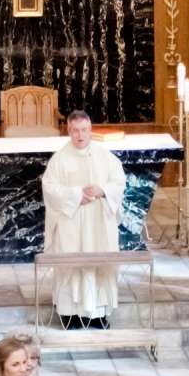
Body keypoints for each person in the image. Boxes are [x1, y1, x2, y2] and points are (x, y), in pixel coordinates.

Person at [41, 111, 128, 327]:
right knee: (72, 263)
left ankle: (98, 314)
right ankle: (69, 314)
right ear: (68, 131)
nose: (80, 135)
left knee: (98, 263)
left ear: (91, 130)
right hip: (71, 223)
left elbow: (119, 182)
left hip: (98, 223)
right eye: (75, 130)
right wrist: (75, 195)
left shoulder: (106, 157)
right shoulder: (59, 159)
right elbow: (50, 189)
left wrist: (102, 190)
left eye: (84, 130)